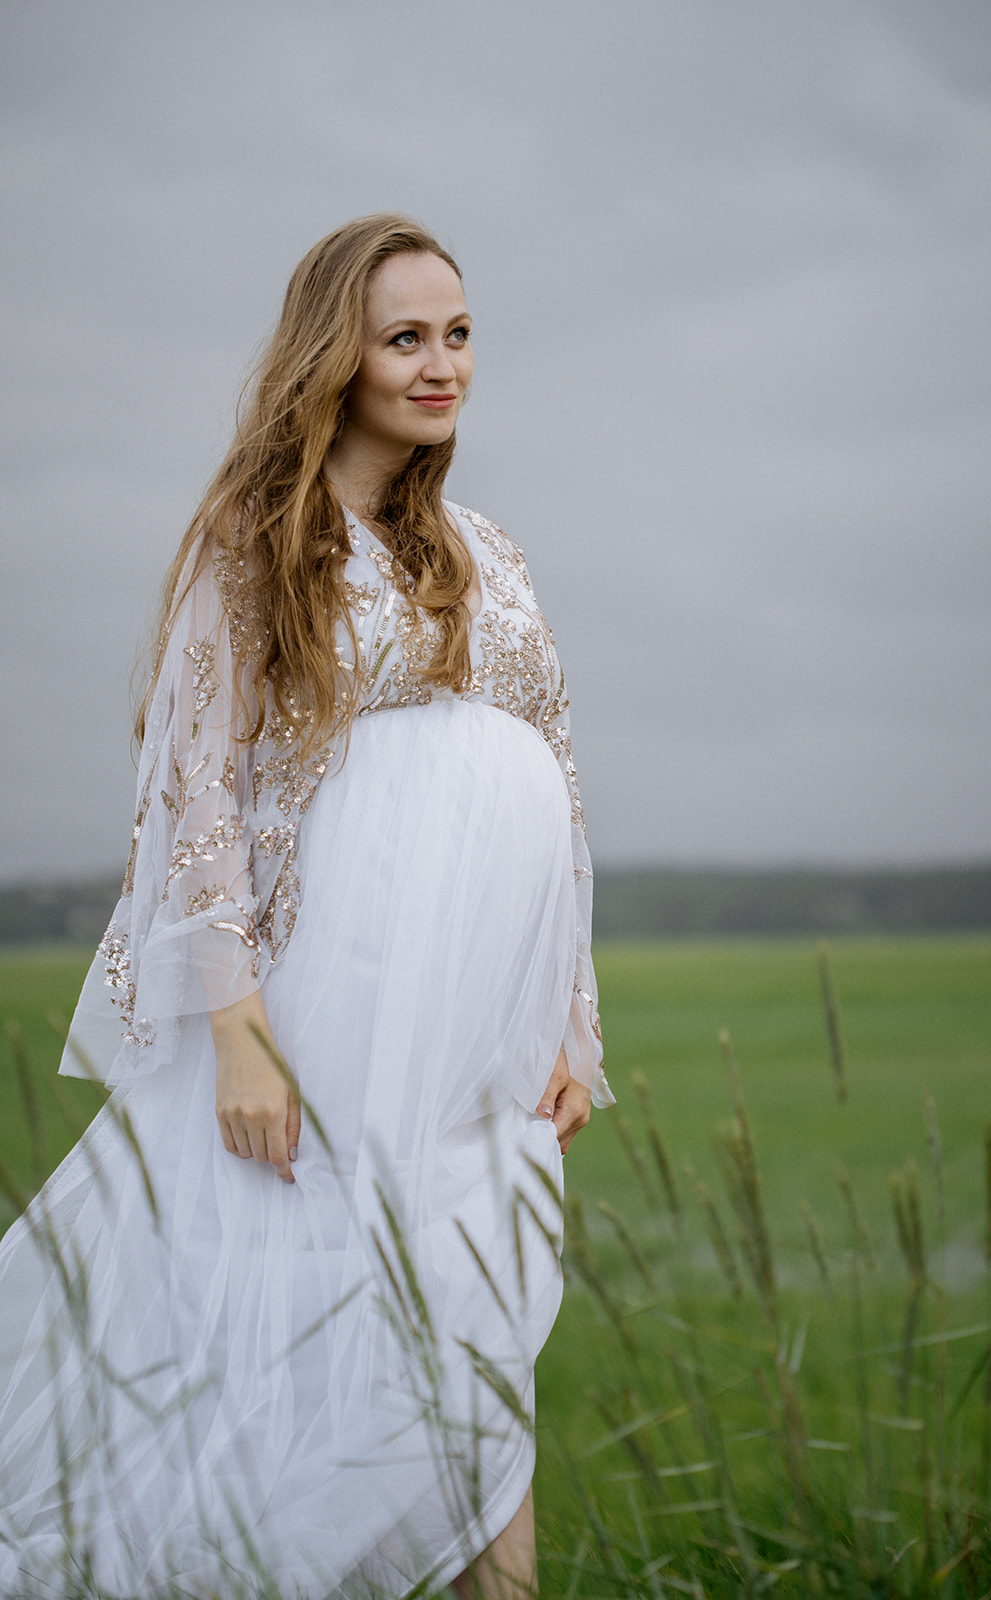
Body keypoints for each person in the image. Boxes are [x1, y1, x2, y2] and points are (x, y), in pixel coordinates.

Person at [0, 214, 612, 1599]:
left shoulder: (489, 549)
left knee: (478, 1325)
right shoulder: (257, 536)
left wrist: (571, 1017)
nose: (442, 364)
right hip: (325, 1010)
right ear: (334, 355)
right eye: (406, 337)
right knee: (300, 1328)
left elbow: (557, 781)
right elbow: (193, 797)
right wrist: (238, 1031)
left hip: (477, 1040)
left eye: (458, 334)